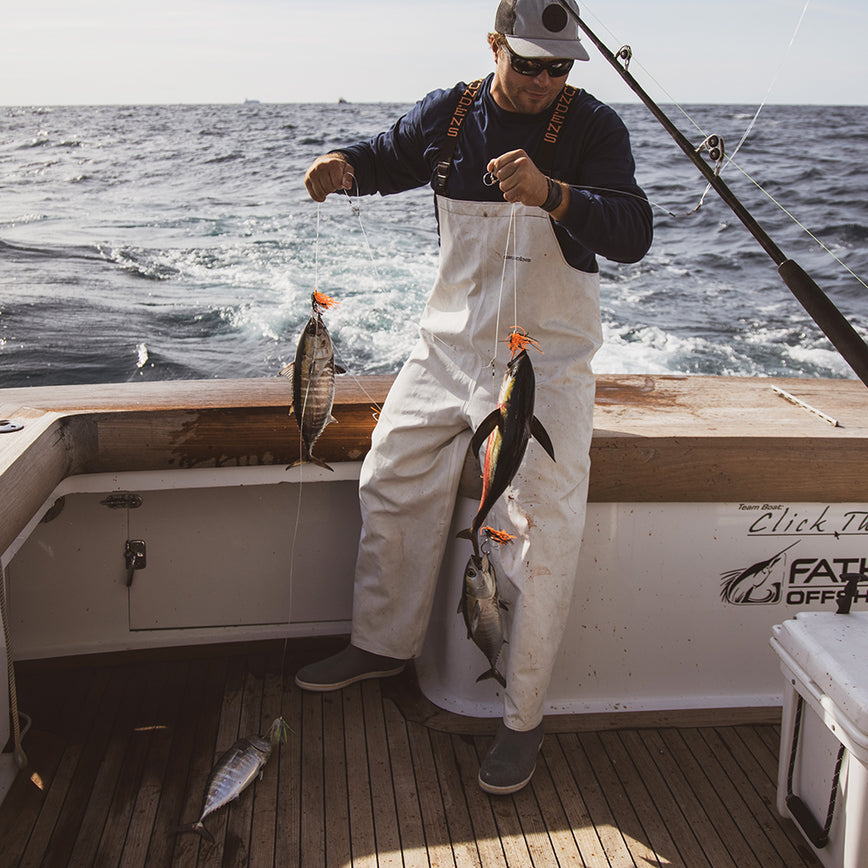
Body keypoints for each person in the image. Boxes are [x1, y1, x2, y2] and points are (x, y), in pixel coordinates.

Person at [296, 0, 653, 795]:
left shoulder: (594, 128)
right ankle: (381, 645)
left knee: (545, 528)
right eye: (527, 62)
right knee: (389, 477)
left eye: (558, 67)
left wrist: (556, 193)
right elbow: (384, 158)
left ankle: (521, 719)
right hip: (448, 348)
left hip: (545, 362)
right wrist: (340, 167)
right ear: (494, 45)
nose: (542, 80)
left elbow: (633, 231)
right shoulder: (448, 114)